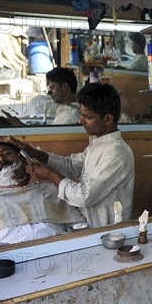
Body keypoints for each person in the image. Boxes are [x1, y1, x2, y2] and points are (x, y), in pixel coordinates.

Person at [8, 83, 135, 228]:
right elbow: (71, 166)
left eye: (87, 116)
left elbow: (84, 196)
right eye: (81, 114)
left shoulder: (116, 153)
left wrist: (51, 175)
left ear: (107, 119)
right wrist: (35, 153)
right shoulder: (99, 144)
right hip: (89, 223)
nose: (80, 120)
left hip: (107, 230)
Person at [0, 142, 85, 248]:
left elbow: (79, 228)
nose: (1, 159)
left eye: (6, 153)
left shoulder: (52, 190)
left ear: (22, 159)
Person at [0, 67, 81, 126]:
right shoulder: (62, 107)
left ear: (64, 87)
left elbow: (52, 138)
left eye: (53, 87)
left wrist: (20, 126)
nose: (50, 92)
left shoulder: (74, 114)